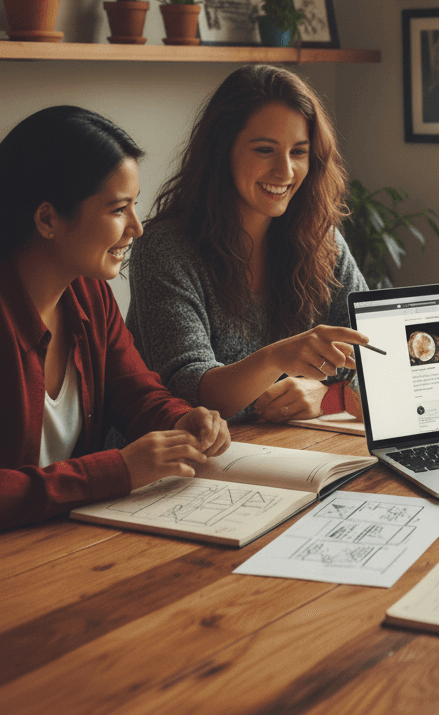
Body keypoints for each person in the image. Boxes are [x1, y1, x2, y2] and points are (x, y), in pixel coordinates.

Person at [0, 107, 230, 531]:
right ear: (48, 219)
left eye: (134, 206)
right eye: (119, 209)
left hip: (65, 539)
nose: (136, 228)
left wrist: (180, 419)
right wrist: (114, 471)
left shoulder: (90, 296)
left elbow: (138, 394)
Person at [126, 64, 369, 424]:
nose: (285, 171)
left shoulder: (322, 239)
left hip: (288, 447)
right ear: (222, 150)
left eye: (298, 152)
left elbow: (380, 355)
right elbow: (187, 393)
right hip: (184, 453)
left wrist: (330, 397)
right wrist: (276, 359)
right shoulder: (165, 248)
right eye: (265, 150)